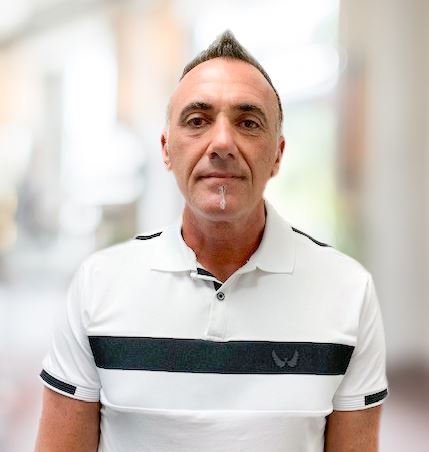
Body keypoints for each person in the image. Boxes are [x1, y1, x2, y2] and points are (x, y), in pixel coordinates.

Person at [35, 31, 388, 452]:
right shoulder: (97, 286)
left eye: (248, 123)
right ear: (167, 149)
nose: (221, 143)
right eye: (197, 121)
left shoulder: (348, 291)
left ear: (277, 154)